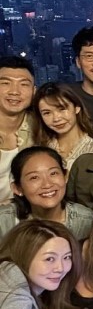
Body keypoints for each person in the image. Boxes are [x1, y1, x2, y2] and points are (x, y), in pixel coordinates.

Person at [0, 147, 93, 240]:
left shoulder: (88, 222)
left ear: (65, 176)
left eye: (53, 173)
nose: (47, 184)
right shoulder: (4, 222)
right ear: (17, 188)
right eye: (34, 177)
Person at [31, 83, 93, 170]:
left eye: (62, 109)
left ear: (77, 108)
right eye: (47, 113)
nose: (56, 118)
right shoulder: (39, 150)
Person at [0, 56, 35, 204]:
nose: (14, 91)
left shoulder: (42, 128)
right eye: (5, 83)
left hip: (27, 213)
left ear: (34, 91)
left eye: (24, 84)